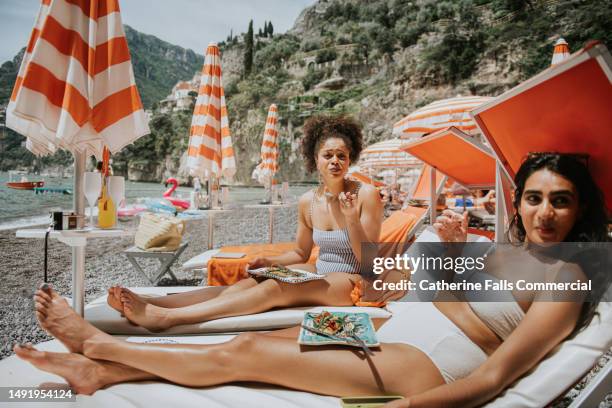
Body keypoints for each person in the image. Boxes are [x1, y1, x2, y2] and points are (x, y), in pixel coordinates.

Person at [15, 153, 609, 405]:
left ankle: (100, 344)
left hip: (421, 363)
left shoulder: (567, 278)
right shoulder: (498, 249)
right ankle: (100, 372)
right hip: (384, 324)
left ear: (581, 208)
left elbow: (500, 374)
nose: (545, 212)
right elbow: (397, 290)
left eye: (560, 201)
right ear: (518, 200)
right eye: (534, 198)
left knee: (246, 348)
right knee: (242, 348)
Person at [106, 115, 384, 331]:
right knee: (249, 283)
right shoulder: (308, 201)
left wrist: (351, 220)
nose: (335, 161)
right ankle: (153, 302)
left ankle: (168, 317)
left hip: (352, 280)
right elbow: (300, 253)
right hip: (320, 270)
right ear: (315, 159)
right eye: (328, 155)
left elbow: (369, 263)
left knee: (277, 288)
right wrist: (270, 262)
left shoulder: (366, 195)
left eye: (341, 155)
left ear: (350, 159)